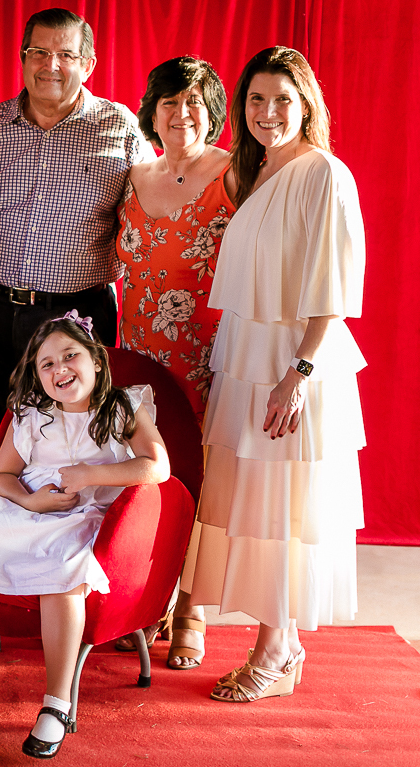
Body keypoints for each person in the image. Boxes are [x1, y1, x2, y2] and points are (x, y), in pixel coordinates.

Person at [178, 46, 366, 702]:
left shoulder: (323, 174)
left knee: (285, 511)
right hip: (248, 358)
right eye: (256, 99)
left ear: (307, 103)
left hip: (292, 364)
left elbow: (333, 287)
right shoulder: (256, 174)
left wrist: (300, 373)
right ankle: (279, 644)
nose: (267, 112)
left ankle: (277, 651)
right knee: (258, 508)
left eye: (282, 98)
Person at [0, 311, 169, 759]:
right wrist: (30, 501)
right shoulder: (31, 414)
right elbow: (1, 476)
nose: (60, 369)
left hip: (79, 513)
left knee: (62, 571)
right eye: (47, 364)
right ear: (38, 377)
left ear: (96, 361)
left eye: (70, 356)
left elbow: (157, 466)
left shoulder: (122, 407)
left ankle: (57, 704)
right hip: (24, 506)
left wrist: (89, 473)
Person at [0, 7, 155, 460]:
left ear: (87, 64)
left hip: (78, 320)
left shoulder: (122, 130)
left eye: (65, 55)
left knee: (67, 447)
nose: (50, 65)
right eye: (39, 52)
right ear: (22, 56)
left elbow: (153, 220)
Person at [114, 56, 236, 669]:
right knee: (146, 481)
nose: (181, 112)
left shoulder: (233, 175)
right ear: (151, 111)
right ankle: (147, 602)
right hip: (138, 358)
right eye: (169, 101)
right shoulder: (133, 176)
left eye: (193, 100)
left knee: (201, 485)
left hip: (207, 361)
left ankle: (191, 611)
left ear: (212, 110)